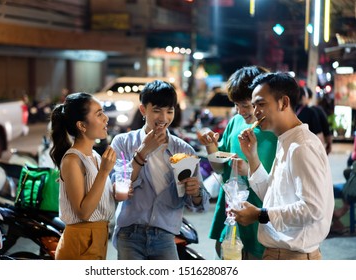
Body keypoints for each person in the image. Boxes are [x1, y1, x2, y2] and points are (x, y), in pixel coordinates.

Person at [234, 72, 334, 260]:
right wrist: (252, 157)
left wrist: (259, 215)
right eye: (254, 105)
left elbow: (313, 209)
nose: (255, 112)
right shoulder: (286, 141)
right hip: (280, 254)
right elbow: (275, 198)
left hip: (293, 257)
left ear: (284, 103)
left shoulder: (301, 146)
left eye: (261, 104)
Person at [110, 79, 210, 260]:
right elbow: (119, 189)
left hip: (165, 235)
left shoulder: (184, 150)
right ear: (143, 110)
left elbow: (200, 203)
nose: (163, 118)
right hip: (129, 234)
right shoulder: (123, 142)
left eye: (169, 111)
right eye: (157, 110)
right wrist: (142, 152)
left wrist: (195, 192)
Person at [197, 65, 277, 260]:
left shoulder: (276, 131)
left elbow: (282, 186)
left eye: (245, 105)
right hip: (230, 216)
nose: (240, 111)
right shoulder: (235, 123)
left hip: (261, 218)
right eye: (236, 105)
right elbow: (218, 168)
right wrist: (211, 147)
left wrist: (249, 170)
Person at [49, 92, 117, 260]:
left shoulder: (95, 156)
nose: (105, 119)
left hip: (98, 237)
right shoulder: (72, 160)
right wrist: (104, 173)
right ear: (82, 125)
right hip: (81, 241)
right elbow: (84, 212)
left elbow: (96, 198)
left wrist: (114, 193)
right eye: (99, 114)